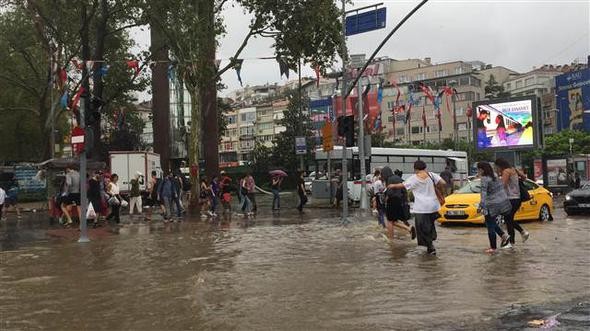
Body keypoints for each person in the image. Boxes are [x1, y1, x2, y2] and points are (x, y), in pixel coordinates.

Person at [387, 161, 444, 255]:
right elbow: (443, 183)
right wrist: (440, 191)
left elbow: (402, 185)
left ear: (415, 169)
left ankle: (430, 247)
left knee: (421, 227)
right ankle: (431, 242)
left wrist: (392, 185)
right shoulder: (432, 175)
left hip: (422, 207)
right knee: (429, 225)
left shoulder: (414, 178)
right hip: (433, 206)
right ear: (425, 167)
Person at [494, 158, 530, 246]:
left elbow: (503, 185)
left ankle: (512, 242)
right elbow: (524, 177)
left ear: (500, 166)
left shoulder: (506, 171)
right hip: (517, 199)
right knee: (509, 219)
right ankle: (521, 234)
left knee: (508, 220)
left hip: (510, 199)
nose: (496, 168)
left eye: (496, 167)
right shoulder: (514, 170)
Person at [477, 162, 511, 254]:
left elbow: (483, 193)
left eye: (478, 169)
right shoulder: (495, 176)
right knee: (491, 222)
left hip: (491, 204)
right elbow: (501, 189)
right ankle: (503, 235)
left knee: (490, 226)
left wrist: (481, 206)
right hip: (500, 203)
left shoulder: (484, 178)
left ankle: (493, 248)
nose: (478, 171)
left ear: (482, 169)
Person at [382, 167, 416, 240]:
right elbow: (405, 188)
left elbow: (390, 193)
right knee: (395, 221)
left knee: (390, 221)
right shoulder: (398, 178)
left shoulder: (389, 180)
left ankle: (391, 239)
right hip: (401, 201)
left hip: (392, 201)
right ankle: (408, 228)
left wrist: (386, 199)